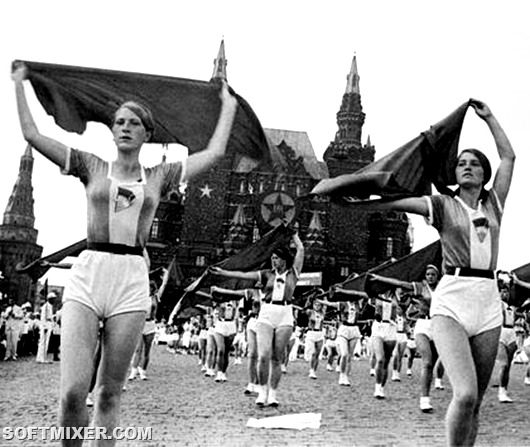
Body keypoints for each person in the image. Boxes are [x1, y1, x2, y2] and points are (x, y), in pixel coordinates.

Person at [12, 61, 238, 445]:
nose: (125, 128)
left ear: (147, 133)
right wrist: (20, 83)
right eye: (119, 122)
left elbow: (215, 152)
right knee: (72, 393)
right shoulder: (90, 165)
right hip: (90, 274)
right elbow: (32, 133)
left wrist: (228, 107)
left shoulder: (159, 176)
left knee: (108, 394)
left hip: (131, 279)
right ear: (112, 130)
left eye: (134, 123)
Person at [345, 100, 515, 445]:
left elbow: (508, 157)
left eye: (474, 164)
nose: (467, 167)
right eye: (461, 163)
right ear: (454, 173)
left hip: (487, 301)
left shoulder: (493, 204)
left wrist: (490, 119)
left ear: (484, 174)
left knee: (477, 403)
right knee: (464, 395)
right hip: (452, 298)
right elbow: (398, 202)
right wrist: (359, 201)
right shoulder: (442, 204)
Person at [210, 233, 304, 406]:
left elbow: (301, 249)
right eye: (272, 258)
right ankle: (262, 391)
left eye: (276, 258)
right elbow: (243, 275)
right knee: (263, 355)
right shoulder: (266, 274)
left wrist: (293, 234)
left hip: (285, 313)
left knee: (277, 357)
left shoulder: (294, 273)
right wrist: (224, 272)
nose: (273, 261)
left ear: (284, 259)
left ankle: (273, 394)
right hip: (267, 312)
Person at [129, 280, 159, 381]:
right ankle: (133, 371)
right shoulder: (141, 297)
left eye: (151, 288)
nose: (149, 289)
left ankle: (143, 371)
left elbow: (163, 288)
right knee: (138, 349)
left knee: (147, 350)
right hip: (141, 323)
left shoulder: (155, 298)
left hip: (151, 324)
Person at [36, 292, 55, 363]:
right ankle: (42, 358)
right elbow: (43, 317)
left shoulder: (49, 306)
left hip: (48, 324)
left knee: (45, 342)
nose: (54, 300)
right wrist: (45, 327)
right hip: (45, 325)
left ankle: (41, 358)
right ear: (49, 299)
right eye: (53, 299)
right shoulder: (46, 306)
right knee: (43, 342)